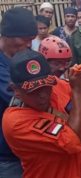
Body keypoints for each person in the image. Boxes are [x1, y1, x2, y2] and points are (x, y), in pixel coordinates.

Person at [2, 49, 81, 178]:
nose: (43, 95)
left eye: (46, 86)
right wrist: (78, 91)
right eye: (33, 90)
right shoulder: (15, 122)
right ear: (15, 90)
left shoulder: (57, 86)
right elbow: (72, 141)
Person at [0, 7, 37, 178]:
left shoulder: (25, 56)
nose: (29, 45)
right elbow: (31, 98)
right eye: (24, 40)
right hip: (8, 157)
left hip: (33, 149)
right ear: (6, 36)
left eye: (31, 39)